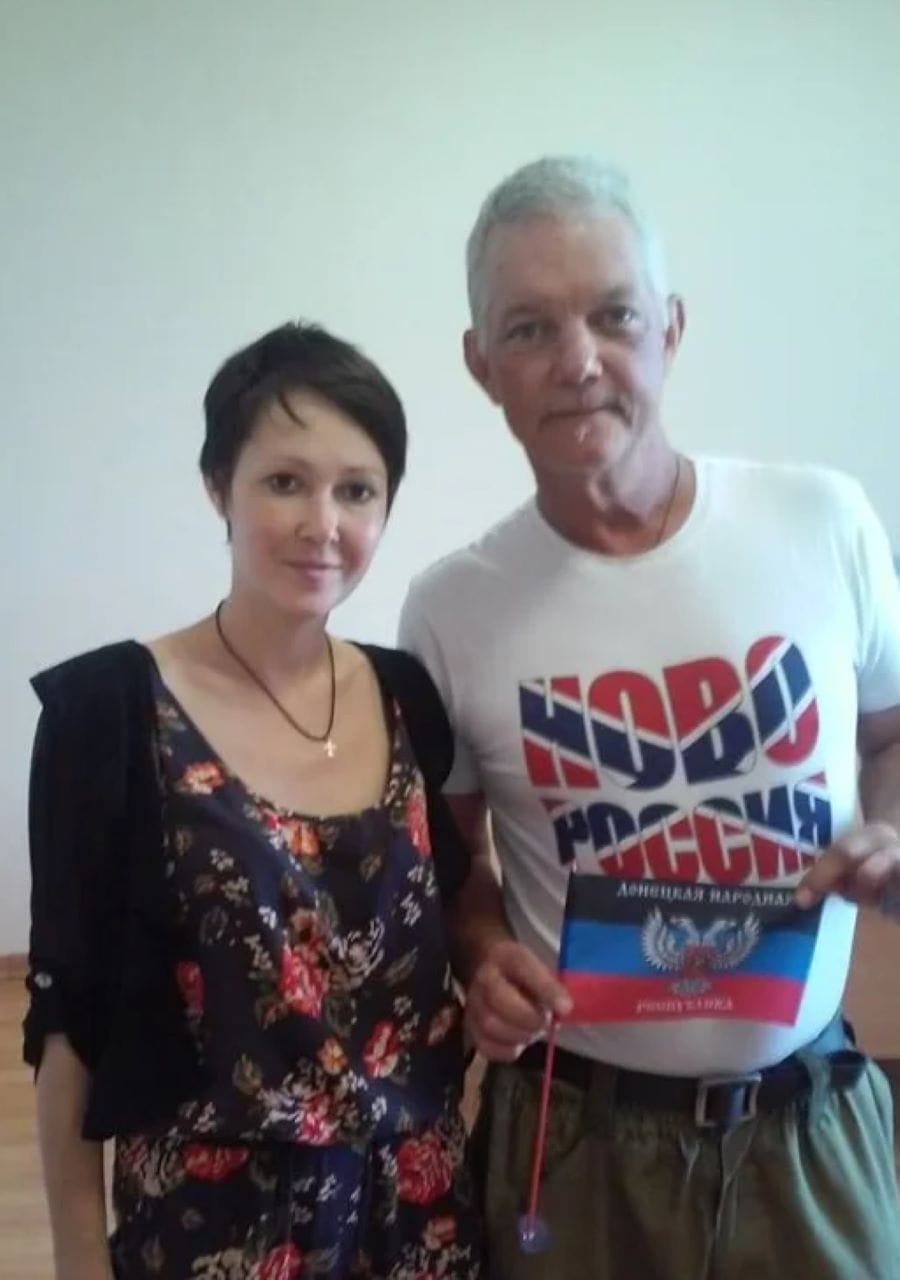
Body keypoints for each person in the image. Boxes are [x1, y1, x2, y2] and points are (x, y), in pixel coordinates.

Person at [398, 155, 900, 1279]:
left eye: (614, 314)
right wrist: (483, 953)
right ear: (481, 365)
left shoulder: (822, 522)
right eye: (529, 328)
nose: (578, 361)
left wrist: (890, 826)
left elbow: (890, 730)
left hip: (809, 1126)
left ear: (670, 327)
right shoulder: (450, 608)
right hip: (576, 1145)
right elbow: (455, 862)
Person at [24, 322, 483, 1280]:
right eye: (284, 481)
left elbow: (454, 918)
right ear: (216, 486)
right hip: (214, 1228)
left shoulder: (407, 697)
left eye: (357, 490)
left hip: (421, 1217)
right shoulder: (109, 714)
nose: (323, 523)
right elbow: (69, 1019)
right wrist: (77, 1258)